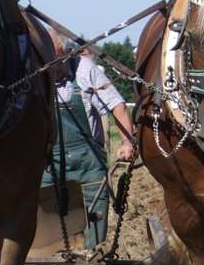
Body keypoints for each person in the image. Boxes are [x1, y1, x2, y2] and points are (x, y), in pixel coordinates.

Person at [42, 29, 136, 252]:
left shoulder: (85, 70)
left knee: (94, 223)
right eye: (47, 62)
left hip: (89, 163)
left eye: (56, 61)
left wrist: (127, 142)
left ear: (66, 55)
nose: (51, 68)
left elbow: (117, 105)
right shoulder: (35, 74)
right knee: (49, 226)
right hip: (50, 165)